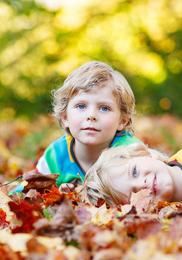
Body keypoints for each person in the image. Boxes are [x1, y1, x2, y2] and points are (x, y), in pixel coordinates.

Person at [13, 61, 142, 193]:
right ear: (65, 117)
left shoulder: (134, 154)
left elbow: (160, 182)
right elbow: (21, 194)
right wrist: (58, 196)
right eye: (81, 106)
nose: (91, 116)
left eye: (104, 108)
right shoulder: (56, 155)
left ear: (122, 120)